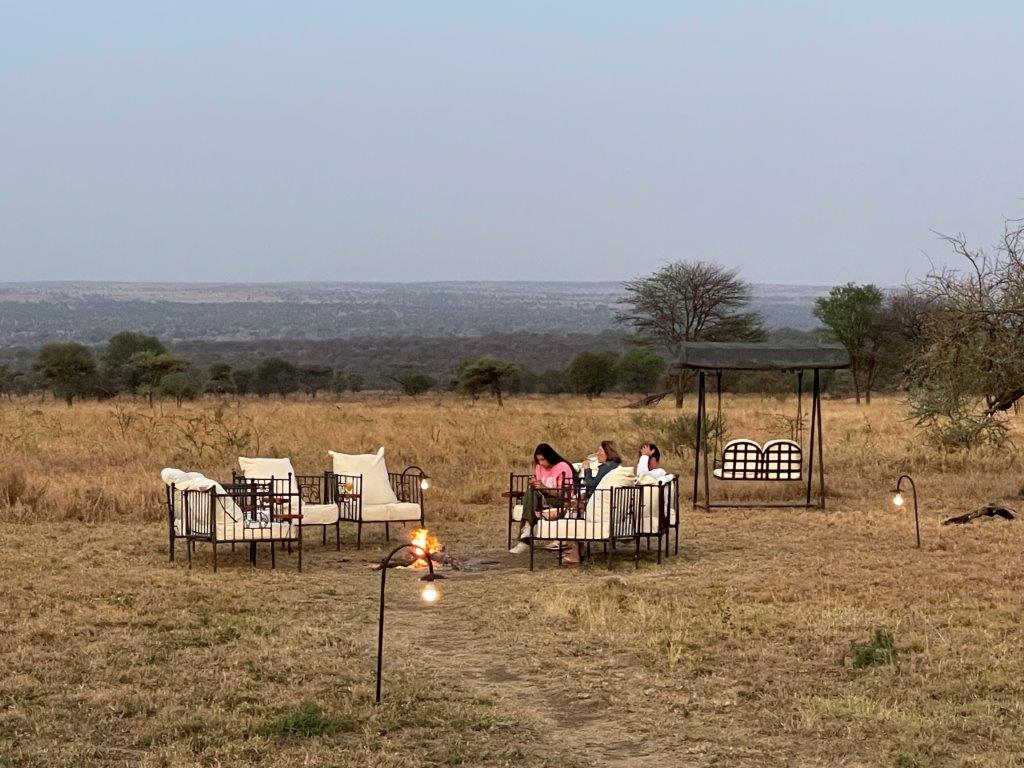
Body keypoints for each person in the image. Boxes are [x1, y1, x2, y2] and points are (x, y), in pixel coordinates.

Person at [510, 443, 575, 555]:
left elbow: (564, 493)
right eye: (538, 460)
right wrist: (535, 484)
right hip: (543, 498)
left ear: (550, 457)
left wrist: (544, 488)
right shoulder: (539, 467)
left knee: (531, 497)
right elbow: (539, 489)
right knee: (531, 492)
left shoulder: (563, 467)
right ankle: (527, 531)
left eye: (543, 460)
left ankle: (526, 534)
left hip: (560, 499)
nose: (541, 463)